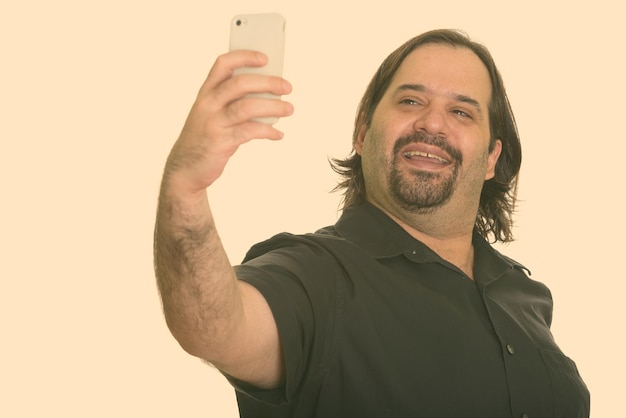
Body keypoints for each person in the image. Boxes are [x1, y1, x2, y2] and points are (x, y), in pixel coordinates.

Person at [154, 29, 590, 417]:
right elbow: (214, 326)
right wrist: (185, 191)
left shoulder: (524, 295)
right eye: (410, 101)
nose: (432, 122)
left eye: (462, 112)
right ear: (362, 134)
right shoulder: (318, 275)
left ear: (492, 157)